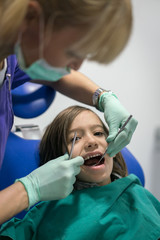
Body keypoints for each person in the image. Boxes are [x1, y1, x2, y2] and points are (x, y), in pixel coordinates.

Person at [0, 0, 138, 223]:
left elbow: (57, 73)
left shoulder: (10, 58)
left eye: (99, 132)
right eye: (73, 51)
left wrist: (102, 97)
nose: (76, 66)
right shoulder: (44, 219)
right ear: (31, 17)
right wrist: (28, 191)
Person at [0, 105, 159, 239]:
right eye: (75, 139)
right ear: (57, 158)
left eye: (98, 133)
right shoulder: (46, 214)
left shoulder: (137, 193)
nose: (91, 141)